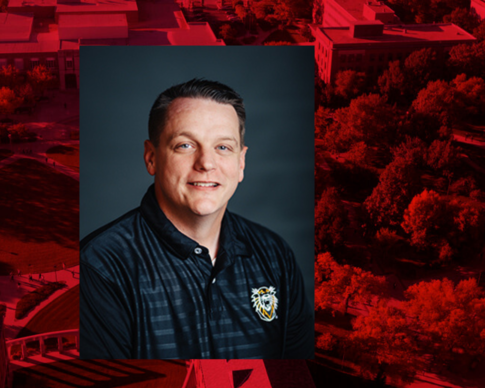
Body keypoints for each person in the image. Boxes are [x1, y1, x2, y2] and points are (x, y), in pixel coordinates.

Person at [80, 79, 312, 359]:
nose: (206, 163)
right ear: (151, 157)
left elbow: (295, 380)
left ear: (241, 163)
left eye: (223, 147)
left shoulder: (276, 256)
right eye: (186, 145)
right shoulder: (101, 265)